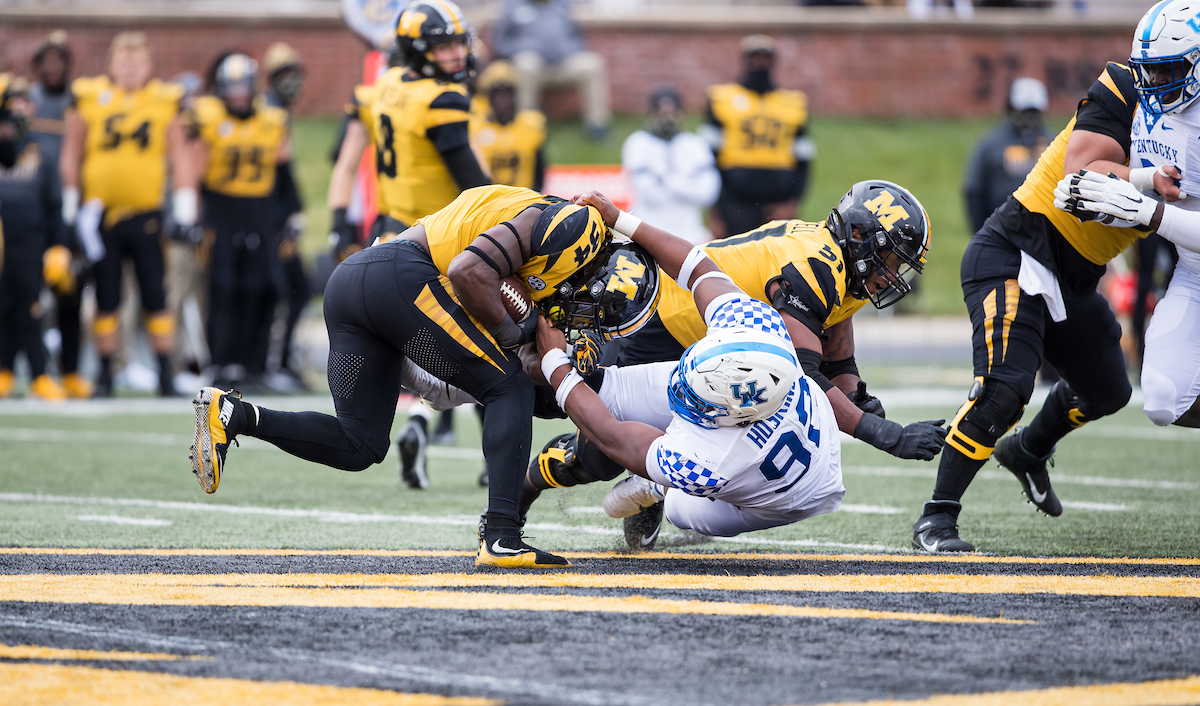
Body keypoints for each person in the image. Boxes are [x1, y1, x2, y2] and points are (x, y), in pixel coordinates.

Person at [189, 184, 614, 569]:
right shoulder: (573, 224)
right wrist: (518, 333)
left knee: (359, 443)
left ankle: (234, 415)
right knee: (507, 385)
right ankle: (502, 535)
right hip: (401, 274)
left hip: (357, 280)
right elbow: (468, 272)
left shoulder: (537, 222)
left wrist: (549, 359)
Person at [519, 181, 947, 547]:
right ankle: (529, 484)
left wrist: (857, 398)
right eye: (893, 260)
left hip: (730, 356)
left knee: (726, 437)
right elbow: (807, 376)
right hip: (675, 326)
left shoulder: (842, 269)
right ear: (859, 237)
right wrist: (884, 434)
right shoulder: (816, 266)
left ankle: (659, 479)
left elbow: (838, 357)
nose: (894, 275)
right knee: (601, 454)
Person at [909, 53, 1170, 553]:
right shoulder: (1123, 87)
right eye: (1159, 68)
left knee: (1109, 391)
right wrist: (1150, 177)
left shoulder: (1189, 135)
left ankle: (1027, 450)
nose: (1163, 80)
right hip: (1016, 252)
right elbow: (1081, 173)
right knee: (1005, 389)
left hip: (1075, 278)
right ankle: (936, 517)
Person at [1054, 0, 1200, 429]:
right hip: (1193, 272)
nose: (1155, 84)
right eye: (1148, 71)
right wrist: (1110, 202)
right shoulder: (1147, 108)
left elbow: (1155, 213)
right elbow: (1139, 192)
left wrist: (1147, 212)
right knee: (1162, 399)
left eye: (1168, 71)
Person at [60, 32, 191, 397]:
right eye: (123, 61)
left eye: (136, 62)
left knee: (155, 296)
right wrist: (69, 209)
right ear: (111, 65)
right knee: (106, 297)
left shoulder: (164, 101)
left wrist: (185, 211)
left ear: (148, 66)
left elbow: (181, 156)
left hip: (147, 216)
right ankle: (105, 374)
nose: (130, 68)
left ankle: (165, 373)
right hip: (100, 218)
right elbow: (71, 155)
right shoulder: (89, 97)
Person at [183, 53, 290, 389]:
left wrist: (292, 215)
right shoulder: (207, 116)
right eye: (232, 87)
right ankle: (218, 363)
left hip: (260, 211)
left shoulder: (273, 119)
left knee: (264, 288)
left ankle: (253, 365)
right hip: (221, 210)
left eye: (244, 86)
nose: (239, 94)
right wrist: (191, 216)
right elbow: (192, 170)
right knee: (223, 288)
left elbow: (284, 174)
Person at [700, 35, 813, 238]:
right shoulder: (722, 99)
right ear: (745, 60)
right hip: (735, 200)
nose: (760, 64)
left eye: (766, 58)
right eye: (755, 58)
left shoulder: (792, 103)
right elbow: (708, 156)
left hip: (777, 200)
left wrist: (792, 202)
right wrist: (714, 212)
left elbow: (804, 158)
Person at [27, 31, 90, 399]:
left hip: (68, 209)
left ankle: (71, 369)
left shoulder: (79, 104)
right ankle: (25, 369)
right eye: (46, 61)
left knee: (71, 287)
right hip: (30, 208)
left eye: (59, 60)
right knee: (25, 292)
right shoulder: (27, 102)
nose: (52, 67)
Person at [0, 77, 67, 400]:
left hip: (30, 242)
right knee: (3, 307)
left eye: (23, 101)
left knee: (30, 308)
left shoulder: (42, 149)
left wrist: (58, 245)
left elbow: (54, 204)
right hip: (2, 241)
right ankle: (4, 371)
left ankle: (39, 374)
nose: (18, 109)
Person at [261, 42, 311, 389]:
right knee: (284, 288)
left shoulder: (279, 111)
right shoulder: (267, 113)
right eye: (282, 73)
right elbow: (274, 175)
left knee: (296, 288)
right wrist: (286, 216)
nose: (290, 80)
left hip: (277, 217)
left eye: (293, 72)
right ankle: (272, 361)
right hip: (267, 219)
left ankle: (279, 360)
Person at [491, 0, 610, 141]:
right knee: (526, 64)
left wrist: (567, 49)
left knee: (592, 64)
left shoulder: (563, 6)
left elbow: (579, 39)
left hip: (563, 64)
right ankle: (527, 122)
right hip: (534, 68)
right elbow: (500, 44)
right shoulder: (513, 7)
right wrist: (524, 49)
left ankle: (597, 125)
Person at [622, 86, 720, 246]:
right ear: (651, 114)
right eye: (662, 113)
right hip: (646, 235)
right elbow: (649, 193)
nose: (668, 119)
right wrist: (686, 182)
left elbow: (708, 192)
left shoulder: (695, 144)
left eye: (673, 113)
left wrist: (664, 179)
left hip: (690, 235)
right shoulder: (637, 142)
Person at [963, 78, 1053, 235]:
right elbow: (974, 189)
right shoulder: (990, 145)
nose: (1029, 117)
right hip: (1000, 231)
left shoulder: (1054, 144)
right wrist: (981, 232)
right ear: (1011, 108)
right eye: (1024, 111)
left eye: (1033, 111)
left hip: (1045, 233)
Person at [470, 61, 547, 191]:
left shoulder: (532, 124)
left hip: (524, 198)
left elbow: (539, 171)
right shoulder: (475, 126)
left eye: (507, 93)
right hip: (489, 199)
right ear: (488, 96)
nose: (502, 99)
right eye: (497, 94)